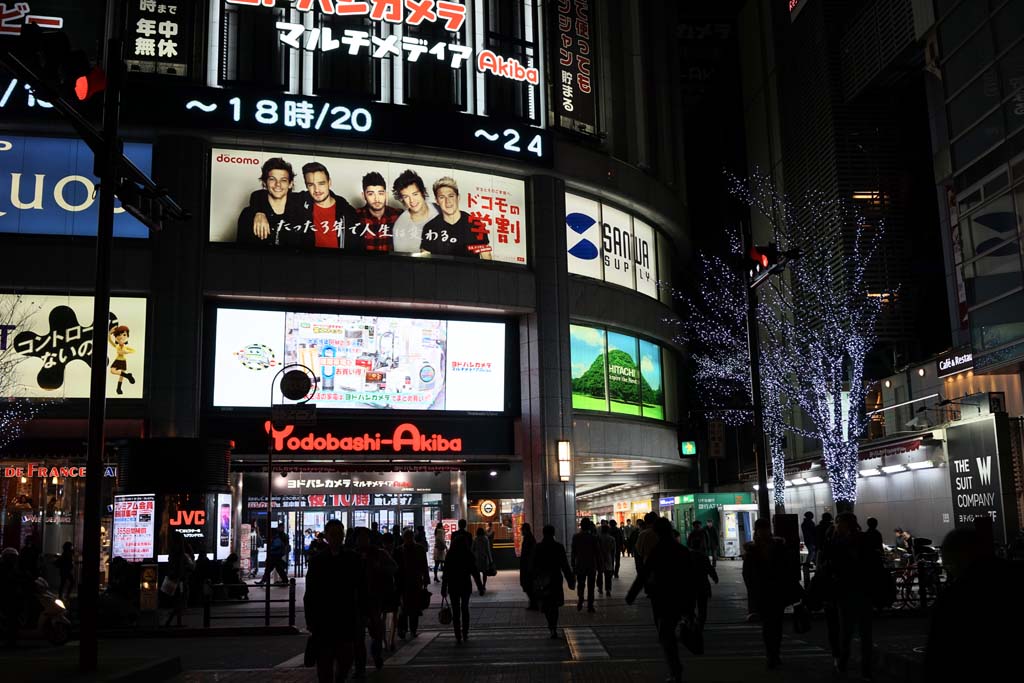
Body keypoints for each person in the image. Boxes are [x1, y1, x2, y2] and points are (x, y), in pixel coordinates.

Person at [925, 526, 1023, 680]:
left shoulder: (953, 598)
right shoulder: (1015, 575)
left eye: (949, 564)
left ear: (956, 560)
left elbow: (937, 654)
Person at [626, 518, 697, 683]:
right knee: (673, 630)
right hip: (681, 597)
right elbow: (691, 579)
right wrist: (692, 603)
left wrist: (632, 595)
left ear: (657, 533)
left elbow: (644, 574)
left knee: (666, 635)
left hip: (662, 599)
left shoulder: (657, 551)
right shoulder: (683, 550)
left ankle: (675, 670)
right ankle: (676, 666)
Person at [304, 519, 364, 683]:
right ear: (327, 537)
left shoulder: (353, 559)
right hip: (324, 620)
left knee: (345, 661)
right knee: (324, 665)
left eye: (340, 534)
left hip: (346, 617)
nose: (337, 538)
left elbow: (361, 587)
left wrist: (361, 614)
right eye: (333, 534)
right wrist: (310, 620)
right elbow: (310, 593)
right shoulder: (317, 561)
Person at [823, 513, 875, 678]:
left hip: (846, 591)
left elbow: (830, 565)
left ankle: (844, 664)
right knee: (865, 632)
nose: (837, 525)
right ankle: (865, 668)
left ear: (843, 524)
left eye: (839, 522)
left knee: (846, 630)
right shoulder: (864, 539)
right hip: (864, 590)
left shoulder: (837, 542)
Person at [742, 518, 796, 670]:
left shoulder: (776, 546)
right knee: (769, 625)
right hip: (765, 592)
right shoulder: (754, 549)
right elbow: (747, 574)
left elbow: (787, 567)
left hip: (774, 591)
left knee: (775, 625)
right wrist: (752, 590)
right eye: (761, 529)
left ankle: (774, 653)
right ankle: (772, 654)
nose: (764, 532)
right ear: (757, 531)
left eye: (765, 529)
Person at [237, 157, 310, 247]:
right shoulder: (248, 214)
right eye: (272, 179)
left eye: (283, 180)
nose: (278, 184)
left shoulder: (302, 214)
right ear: (264, 183)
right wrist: (258, 212)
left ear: (290, 184)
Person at [353, 527, 397, 674]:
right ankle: (360, 667)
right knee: (358, 636)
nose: (363, 541)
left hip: (374, 599)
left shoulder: (379, 554)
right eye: (360, 538)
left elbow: (393, 568)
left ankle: (376, 655)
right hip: (357, 601)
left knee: (376, 632)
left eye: (365, 538)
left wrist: (381, 568)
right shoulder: (352, 555)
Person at [421, 176, 492, 259]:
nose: (448, 201)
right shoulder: (430, 227)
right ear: (437, 201)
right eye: (442, 197)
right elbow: (425, 259)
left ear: (458, 198)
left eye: (451, 196)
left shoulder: (475, 224)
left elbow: (486, 256)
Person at [530, 524, 575, 638]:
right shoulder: (558, 547)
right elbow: (564, 565)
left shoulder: (538, 547)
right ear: (554, 533)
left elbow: (533, 565)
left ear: (543, 533)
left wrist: (533, 579)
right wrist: (570, 580)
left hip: (543, 580)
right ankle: (553, 627)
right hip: (555, 578)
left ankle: (551, 625)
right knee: (554, 605)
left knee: (546, 603)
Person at [441, 532, 485, 644]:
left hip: (453, 585)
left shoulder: (450, 554)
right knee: (465, 609)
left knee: (456, 611)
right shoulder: (468, 554)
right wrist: (480, 587)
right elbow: (475, 572)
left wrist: (444, 588)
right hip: (465, 585)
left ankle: (457, 634)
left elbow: (446, 573)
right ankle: (465, 632)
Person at [391, 169, 438, 253]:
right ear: (402, 199)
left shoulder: (439, 209)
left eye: (415, 194)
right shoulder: (400, 226)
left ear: (422, 192)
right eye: (406, 197)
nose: (412, 201)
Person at [394, 529, 430, 639]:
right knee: (411, 607)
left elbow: (424, 564)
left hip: (409, 582)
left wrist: (426, 579)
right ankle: (410, 630)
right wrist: (426, 579)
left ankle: (405, 629)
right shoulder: (417, 549)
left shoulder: (400, 550)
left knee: (407, 607)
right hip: (411, 581)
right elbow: (424, 565)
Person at [354, 171, 402, 253]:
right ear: (363, 196)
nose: (377, 199)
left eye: (380, 193)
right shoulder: (355, 216)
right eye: (371, 194)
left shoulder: (398, 215)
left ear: (386, 194)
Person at [164, 534, 194, 628]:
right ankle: (178, 616)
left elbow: (171, 564)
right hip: (181, 577)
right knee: (181, 596)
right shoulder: (184, 551)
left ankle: (173, 617)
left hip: (174, 577)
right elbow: (192, 562)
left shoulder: (173, 551)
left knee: (175, 597)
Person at [571, 518, 601, 612]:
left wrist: (573, 564)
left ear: (581, 526)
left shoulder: (576, 537)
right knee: (591, 586)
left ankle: (580, 599)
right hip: (591, 564)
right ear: (589, 526)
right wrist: (599, 565)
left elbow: (573, 552)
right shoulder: (593, 537)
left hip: (580, 564)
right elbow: (597, 552)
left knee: (581, 584)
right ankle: (590, 605)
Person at [108, 325, 137, 395]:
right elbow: (110, 340)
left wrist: (126, 352)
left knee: (121, 376)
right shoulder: (117, 346)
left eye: (124, 335)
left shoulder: (125, 347)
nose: (121, 337)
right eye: (119, 335)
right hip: (117, 360)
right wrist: (109, 333)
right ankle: (128, 376)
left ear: (127, 336)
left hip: (123, 361)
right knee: (112, 371)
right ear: (116, 337)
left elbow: (134, 350)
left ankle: (119, 388)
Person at [519, 523, 538, 610]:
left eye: (522, 529)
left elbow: (530, 554)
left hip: (528, 566)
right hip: (527, 565)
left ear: (525, 530)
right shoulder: (529, 538)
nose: (521, 531)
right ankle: (533, 603)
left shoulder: (529, 539)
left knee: (528, 584)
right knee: (527, 584)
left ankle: (534, 603)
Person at [598, 523, 617, 597]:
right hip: (608, 557)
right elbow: (613, 551)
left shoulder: (598, 538)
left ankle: (600, 588)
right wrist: (613, 560)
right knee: (608, 575)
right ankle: (608, 589)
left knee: (600, 574)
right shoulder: (612, 539)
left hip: (600, 558)